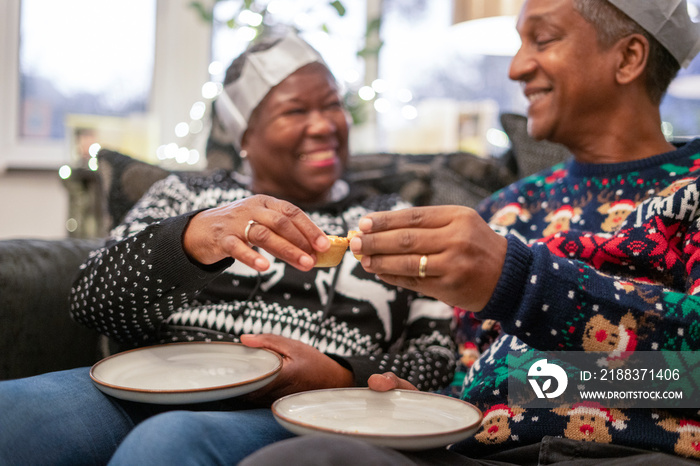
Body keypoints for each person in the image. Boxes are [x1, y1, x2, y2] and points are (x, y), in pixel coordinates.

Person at [240, 1, 700, 464]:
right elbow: (470, 377)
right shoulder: (503, 210)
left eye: (543, 40)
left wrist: (522, 286)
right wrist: (420, 401)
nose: (517, 68)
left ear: (629, 58)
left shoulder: (691, 189)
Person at [0, 30, 457, 465]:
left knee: (171, 440)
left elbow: (438, 365)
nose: (322, 125)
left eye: (332, 105)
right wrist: (191, 238)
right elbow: (91, 303)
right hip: (146, 386)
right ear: (243, 135)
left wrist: (339, 374)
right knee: (12, 410)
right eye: (295, 111)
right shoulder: (184, 195)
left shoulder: (393, 219)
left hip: (297, 411)